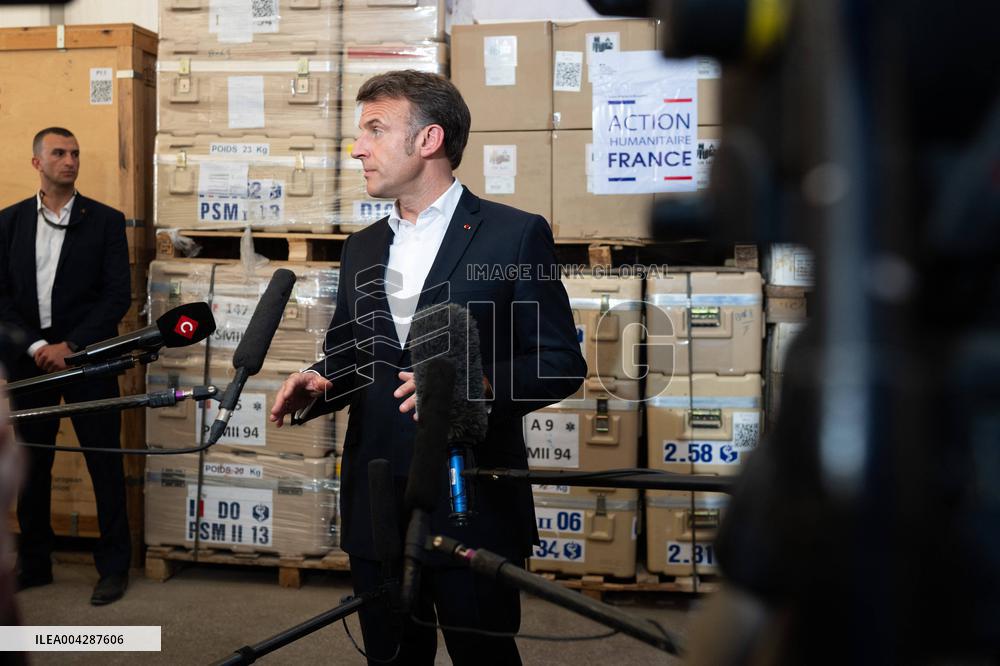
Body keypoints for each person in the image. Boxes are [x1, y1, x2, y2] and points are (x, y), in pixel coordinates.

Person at [270, 71, 586, 664]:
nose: (357, 148)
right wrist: (322, 380)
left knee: (484, 658)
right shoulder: (362, 246)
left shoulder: (515, 235)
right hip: (376, 500)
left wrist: (476, 384)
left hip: (472, 501)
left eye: (374, 129)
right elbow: (353, 352)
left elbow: (560, 362)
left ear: (428, 139)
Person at [0, 127, 132, 605]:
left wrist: (71, 345)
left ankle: (114, 568)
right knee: (33, 465)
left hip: (89, 360)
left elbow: (117, 295)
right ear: (37, 162)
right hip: (30, 361)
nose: (70, 160)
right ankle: (35, 563)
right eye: (59, 153)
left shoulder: (105, 221)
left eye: (75, 153)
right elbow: (1, 298)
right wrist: (39, 346)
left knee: (105, 462)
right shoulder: (9, 222)